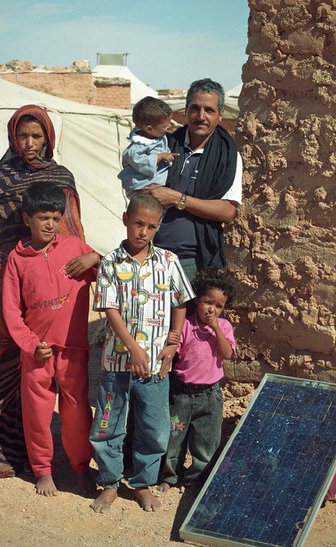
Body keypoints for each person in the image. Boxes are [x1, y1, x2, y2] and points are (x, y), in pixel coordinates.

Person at [0, 104, 97, 479]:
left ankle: (50, 457)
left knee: (40, 382)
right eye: (22, 135)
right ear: (13, 136)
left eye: (36, 136)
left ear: (48, 138)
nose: (29, 143)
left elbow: (72, 231)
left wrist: (82, 265)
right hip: (2, 285)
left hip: (50, 287)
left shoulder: (60, 178)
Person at [89, 194, 194, 514]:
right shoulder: (111, 263)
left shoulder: (168, 261)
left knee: (154, 427)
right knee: (108, 425)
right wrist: (133, 348)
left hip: (155, 366)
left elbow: (180, 301)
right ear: (125, 219)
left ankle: (142, 483)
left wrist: (173, 343)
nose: (143, 232)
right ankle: (109, 483)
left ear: (158, 227)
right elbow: (109, 309)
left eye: (151, 226)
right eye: (138, 223)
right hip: (117, 363)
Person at [2, 183, 99, 497]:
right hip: (37, 352)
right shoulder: (17, 259)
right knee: (37, 413)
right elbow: (11, 311)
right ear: (27, 218)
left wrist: (95, 258)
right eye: (43, 217)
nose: (50, 225)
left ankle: (81, 467)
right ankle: (43, 471)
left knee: (77, 411)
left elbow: (114, 273)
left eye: (56, 218)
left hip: (74, 348)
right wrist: (31, 344)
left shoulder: (75, 248)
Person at [144, 78, 243, 283]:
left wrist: (177, 199)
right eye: (195, 108)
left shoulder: (227, 156)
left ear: (220, 114)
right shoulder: (165, 146)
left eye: (209, 110)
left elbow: (227, 211)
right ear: (186, 110)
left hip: (193, 261)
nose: (201, 116)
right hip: (152, 255)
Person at [158, 268, 237, 493]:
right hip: (182, 393)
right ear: (197, 301)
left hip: (210, 395)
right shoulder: (186, 324)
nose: (212, 309)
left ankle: (196, 478)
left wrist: (215, 328)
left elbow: (227, 354)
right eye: (207, 302)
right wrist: (170, 340)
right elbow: (175, 350)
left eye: (219, 306)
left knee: (206, 441)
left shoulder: (224, 327)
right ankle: (170, 476)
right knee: (174, 438)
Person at [118, 96, 179, 199]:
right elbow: (140, 162)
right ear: (149, 129)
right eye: (165, 126)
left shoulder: (158, 136)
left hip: (156, 187)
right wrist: (160, 157)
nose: (169, 126)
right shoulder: (136, 147)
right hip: (140, 188)